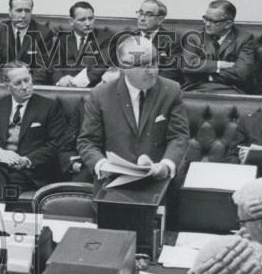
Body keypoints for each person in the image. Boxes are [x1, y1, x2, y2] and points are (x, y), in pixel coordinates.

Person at [78, 35, 189, 184]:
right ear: (123, 67)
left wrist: (166, 165)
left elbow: (179, 137)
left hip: (158, 181)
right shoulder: (100, 95)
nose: (153, 71)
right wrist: (103, 166)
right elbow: (87, 142)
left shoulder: (171, 90)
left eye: (154, 61)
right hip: (113, 182)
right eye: (142, 65)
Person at [0, 62, 67, 198]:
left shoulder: (49, 107)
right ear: (7, 86)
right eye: (18, 83)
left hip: (30, 170)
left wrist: (27, 160)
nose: (25, 87)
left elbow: (56, 145)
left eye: (27, 80)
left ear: (31, 77)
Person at [181, 0, 256, 93]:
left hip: (229, 88)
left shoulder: (244, 38)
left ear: (228, 24)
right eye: (206, 18)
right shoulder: (194, 36)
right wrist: (219, 65)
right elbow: (187, 65)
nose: (207, 24)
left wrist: (210, 76)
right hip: (195, 88)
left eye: (213, 21)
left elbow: (242, 73)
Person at [0, 0, 54, 84]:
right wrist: (4, 88)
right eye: (19, 11)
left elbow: (41, 71)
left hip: (29, 86)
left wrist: (25, 88)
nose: (23, 15)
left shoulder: (44, 33)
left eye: (27, 11)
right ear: (10, 12)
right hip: (3, 85)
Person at [52, 1, 111, 88]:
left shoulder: (105, 38)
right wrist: (60, 80)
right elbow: (55, 67)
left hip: (92, 89)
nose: (88, 23)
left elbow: (101, 67)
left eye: (90, 18)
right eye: (82, 20)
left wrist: (76, 82)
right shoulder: (62, 40)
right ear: (71, 21)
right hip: (64, 88)